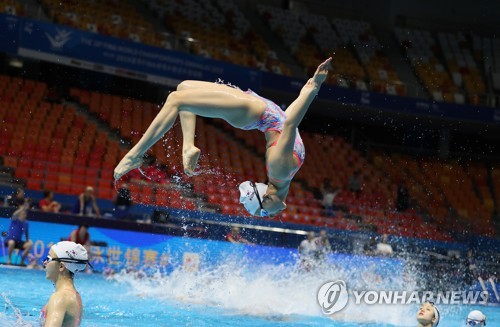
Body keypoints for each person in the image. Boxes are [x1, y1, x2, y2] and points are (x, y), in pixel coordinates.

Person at [114, 58, 332, 218]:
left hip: (252, 111)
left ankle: (149, 153)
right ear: (265, 199)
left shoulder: (279, 171)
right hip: (255, 108)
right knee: (183, 89)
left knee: (177, 99)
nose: (273, 214)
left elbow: (289, 122)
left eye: (265, 214)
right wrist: (312, 88)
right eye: (264, 215)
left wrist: (312, 88)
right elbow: (289, 122)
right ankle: (163, 150)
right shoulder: (281, 172)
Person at [41, 241, 92, 326]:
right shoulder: (74, 295)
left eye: (48, 258)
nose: (44, 262)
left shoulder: (60, 298)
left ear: (61, 266)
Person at [4, 199, 33, 265]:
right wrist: (22, 208)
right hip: (9, 240)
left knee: (30, 244)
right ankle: (9, 259)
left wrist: (27, 240)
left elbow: (26, 233)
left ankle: (22, 261)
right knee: (11, 242)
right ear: (19, 214)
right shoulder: (15, 220)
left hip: (18, 241)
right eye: (22, 213)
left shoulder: (26, 223)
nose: (24, 214)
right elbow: (14, 214)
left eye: (25, 214)